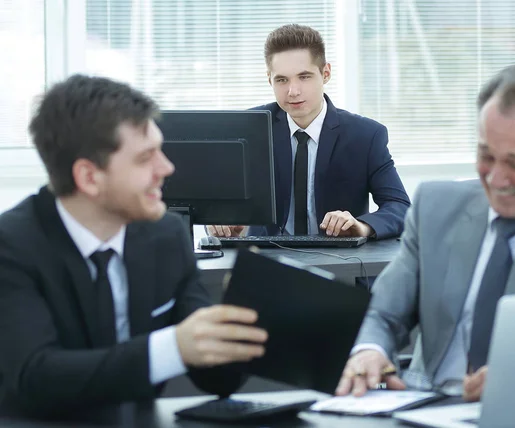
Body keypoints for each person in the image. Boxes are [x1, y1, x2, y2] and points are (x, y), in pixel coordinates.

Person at [0, 75, 268, 418]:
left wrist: (239, 325)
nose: (167, 168)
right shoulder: (13, 247)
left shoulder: (165, 235)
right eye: (145, 158)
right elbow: (37, 375)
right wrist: (171, 348)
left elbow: (216, 380)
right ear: (89, 177)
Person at [336, 63, 515, 402]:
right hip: (422, 406)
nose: (496, 179)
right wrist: (369, 351)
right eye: (486, 155)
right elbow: (385, 313)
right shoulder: (435, 206)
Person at [209, 24, 410, 240]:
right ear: (270, 79)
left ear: (326, 73)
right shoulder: (248, 129)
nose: (293, 91)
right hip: (267, 260)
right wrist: (223, 222)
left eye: (304, 77)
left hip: (340, 263)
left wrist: (361, 226)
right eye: (282, 80)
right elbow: (220, 202)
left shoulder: (366, 135)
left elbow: (400, 207)